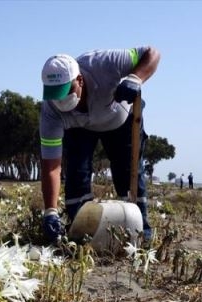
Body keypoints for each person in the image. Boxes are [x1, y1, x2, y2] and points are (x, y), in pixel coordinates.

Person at [39, 46, 161, 242]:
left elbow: (152, 53)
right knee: (77, 175)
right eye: (55, 94)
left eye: (65, 91)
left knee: (127, 173)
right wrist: (50, 211)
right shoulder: (51, 112)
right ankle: (81, 233)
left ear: (79, 80)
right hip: (80, 127)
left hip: (120, 118)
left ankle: (139, 232)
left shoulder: (104, 64)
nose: (60, 101)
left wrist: (136, 78)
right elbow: (51, 166)